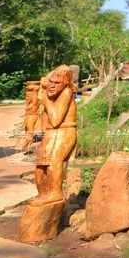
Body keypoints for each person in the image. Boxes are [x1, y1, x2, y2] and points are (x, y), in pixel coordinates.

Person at [28, 65, 77, 206]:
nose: (52, 86)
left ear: (66, 84)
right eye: (51, 82)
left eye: (57, 83)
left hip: (63, 131)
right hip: (52, 133)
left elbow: (56, 120)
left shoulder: (66, 93)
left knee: (54, 162)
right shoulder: (53, 95)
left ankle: (55, 193)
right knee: (39, 166)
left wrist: (46, 99)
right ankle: (44, 193)